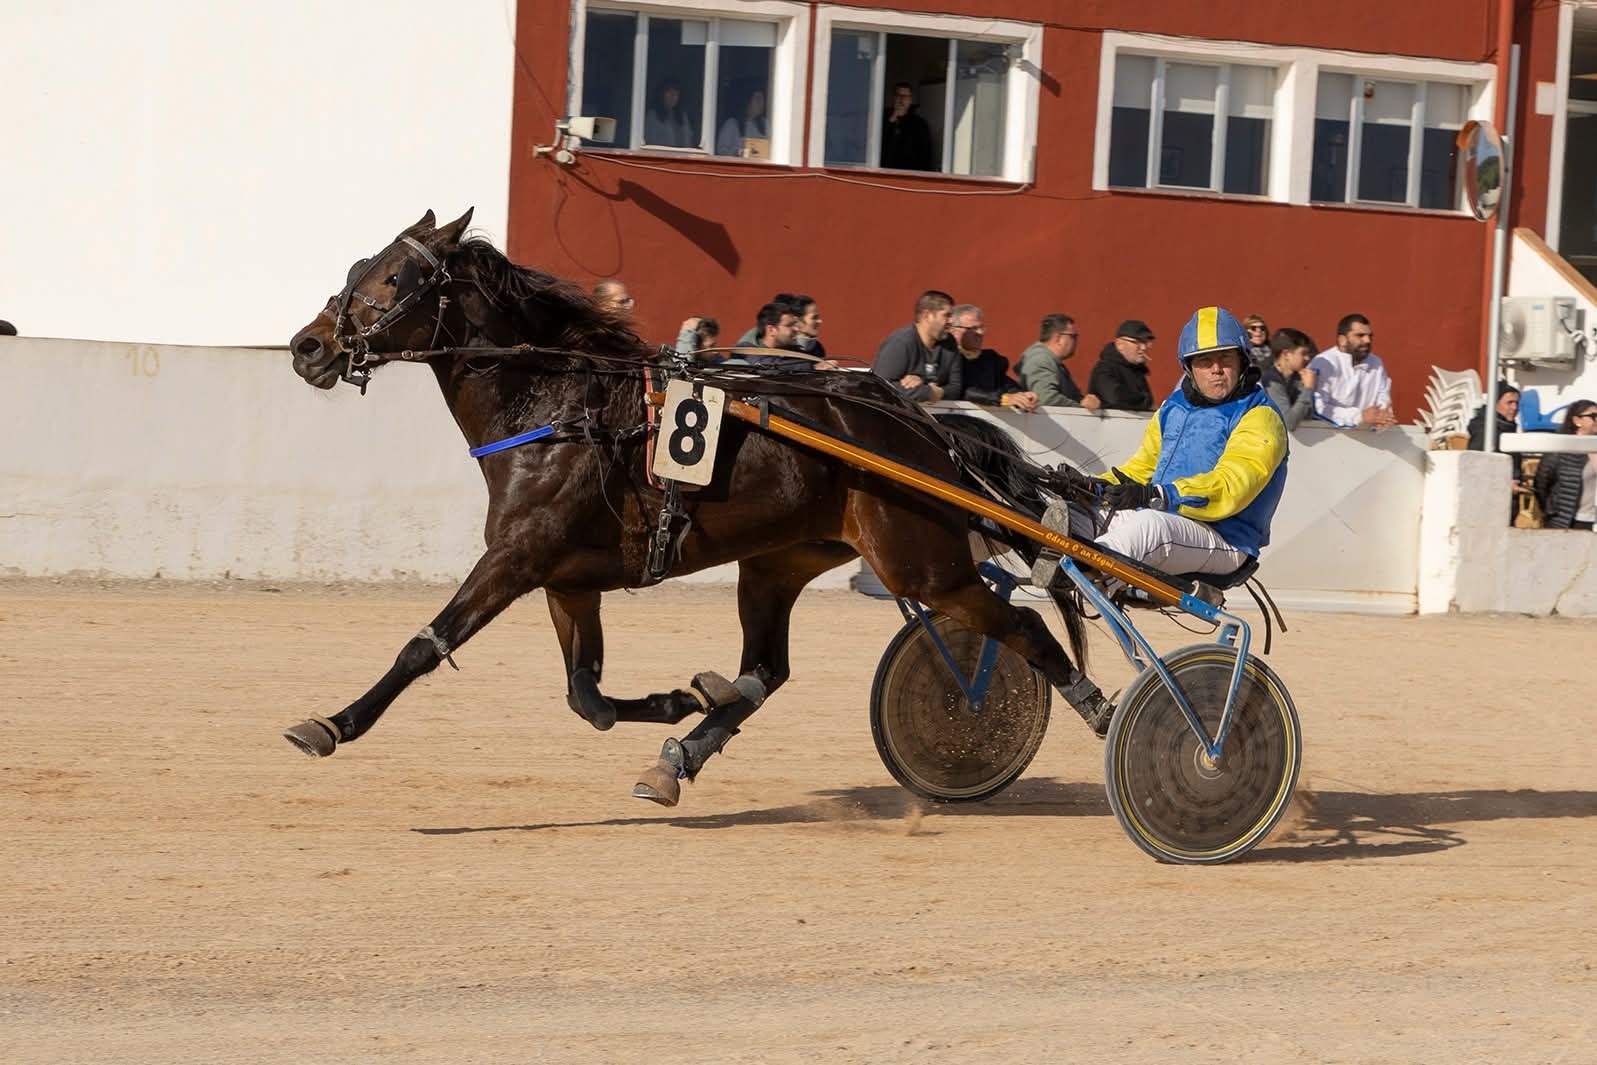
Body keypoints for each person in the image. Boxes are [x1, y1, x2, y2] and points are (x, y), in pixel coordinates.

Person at [1092, 306, 1288, 579]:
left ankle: (1085, 569)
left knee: (1150, 525)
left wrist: (1159, 495)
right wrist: (1091, 486)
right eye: (1204, 361)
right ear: (1189, 368)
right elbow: (1140, 470)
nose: (1216, 369)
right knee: (1081, 513)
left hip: (1226, 539)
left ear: (1243, 361)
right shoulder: (1172, 408)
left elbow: (1232, 486)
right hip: (1165, 521)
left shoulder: (1260, 416)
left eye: (1225, 358)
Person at [872, 290, 963, 402]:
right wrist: (928, 393)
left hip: (940, 416)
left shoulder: (949, 343)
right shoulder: (900, 343)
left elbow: (955, 388)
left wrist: (925, 386)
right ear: (927, 316)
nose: (951, 321)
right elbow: (879, 386)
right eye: (947, 315)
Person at [1308, 314, 1396, 429]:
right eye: (1360, 335)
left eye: (1370, 336)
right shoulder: (1325, 363)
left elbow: (1383, 397)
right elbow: (1317, 408)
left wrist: (1381, 416)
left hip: (1368, 438)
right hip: (1325, 437)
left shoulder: (1376, 363)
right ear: (1342, 340)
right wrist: (1358, 417)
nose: (1367, 340)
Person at [950, 305, 1037, 411]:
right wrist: (1002, 399)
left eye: (981, 327)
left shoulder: (991, 360)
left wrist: (1023, 395)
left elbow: (1006, 385)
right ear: (954, 330)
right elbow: (961, 391)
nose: (980, 333)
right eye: (973, 328)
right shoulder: (948, 358)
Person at [1533, 399, 1597, 530]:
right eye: (1593, 416)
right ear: (1576, 420)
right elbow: (1541, 483)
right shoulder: (1560, 449)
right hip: (1569, 521)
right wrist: (1553, 511)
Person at [1016, 314, 1086, 409]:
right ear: (1058, 339)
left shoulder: (1052, 361)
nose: (1076, 341)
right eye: (1073, 336)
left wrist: (1085, 401)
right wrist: (1082, 409)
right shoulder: (1041, 360)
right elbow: (1046, 398)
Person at [1086, 320, 1157, 412]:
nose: (1143, 347)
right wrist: (1146, 402)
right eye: (1137, 342)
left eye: (1146, 342)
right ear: (1120, 344)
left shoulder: (1137, 370)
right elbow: (1115, 397)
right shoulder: (1105, 368)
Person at [1259, 327, 1319, 430]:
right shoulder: (1270, 379)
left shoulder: (1298, 377)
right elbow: (1288, 423)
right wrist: (1308, 389)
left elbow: (1308, 414)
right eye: (1303, 353)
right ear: (1286, 354)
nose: (1307, 358)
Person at [880, 82, 936, 171]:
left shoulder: (919, 124)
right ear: (893, 98)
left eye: (905, 96)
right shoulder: (881, 118)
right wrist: (892, 119)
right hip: (885, 171)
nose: (901, 99)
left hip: (909, 172)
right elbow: (877, 142)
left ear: (910, 100)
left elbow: (926, 154)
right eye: (898, 95)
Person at [716, 88, 768, 157]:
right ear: (747, 101)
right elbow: (721, 150)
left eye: (762, 100)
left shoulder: (765, 124)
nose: (762, 104)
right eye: (758, 100)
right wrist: (738, 152)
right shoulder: (732, 124)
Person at [644, 79, 695, 148]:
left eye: (676, 93)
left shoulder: (682, 117)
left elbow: (689, 142)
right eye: (669, 92)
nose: (673, 96)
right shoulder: (652, 116)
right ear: (661, 94)